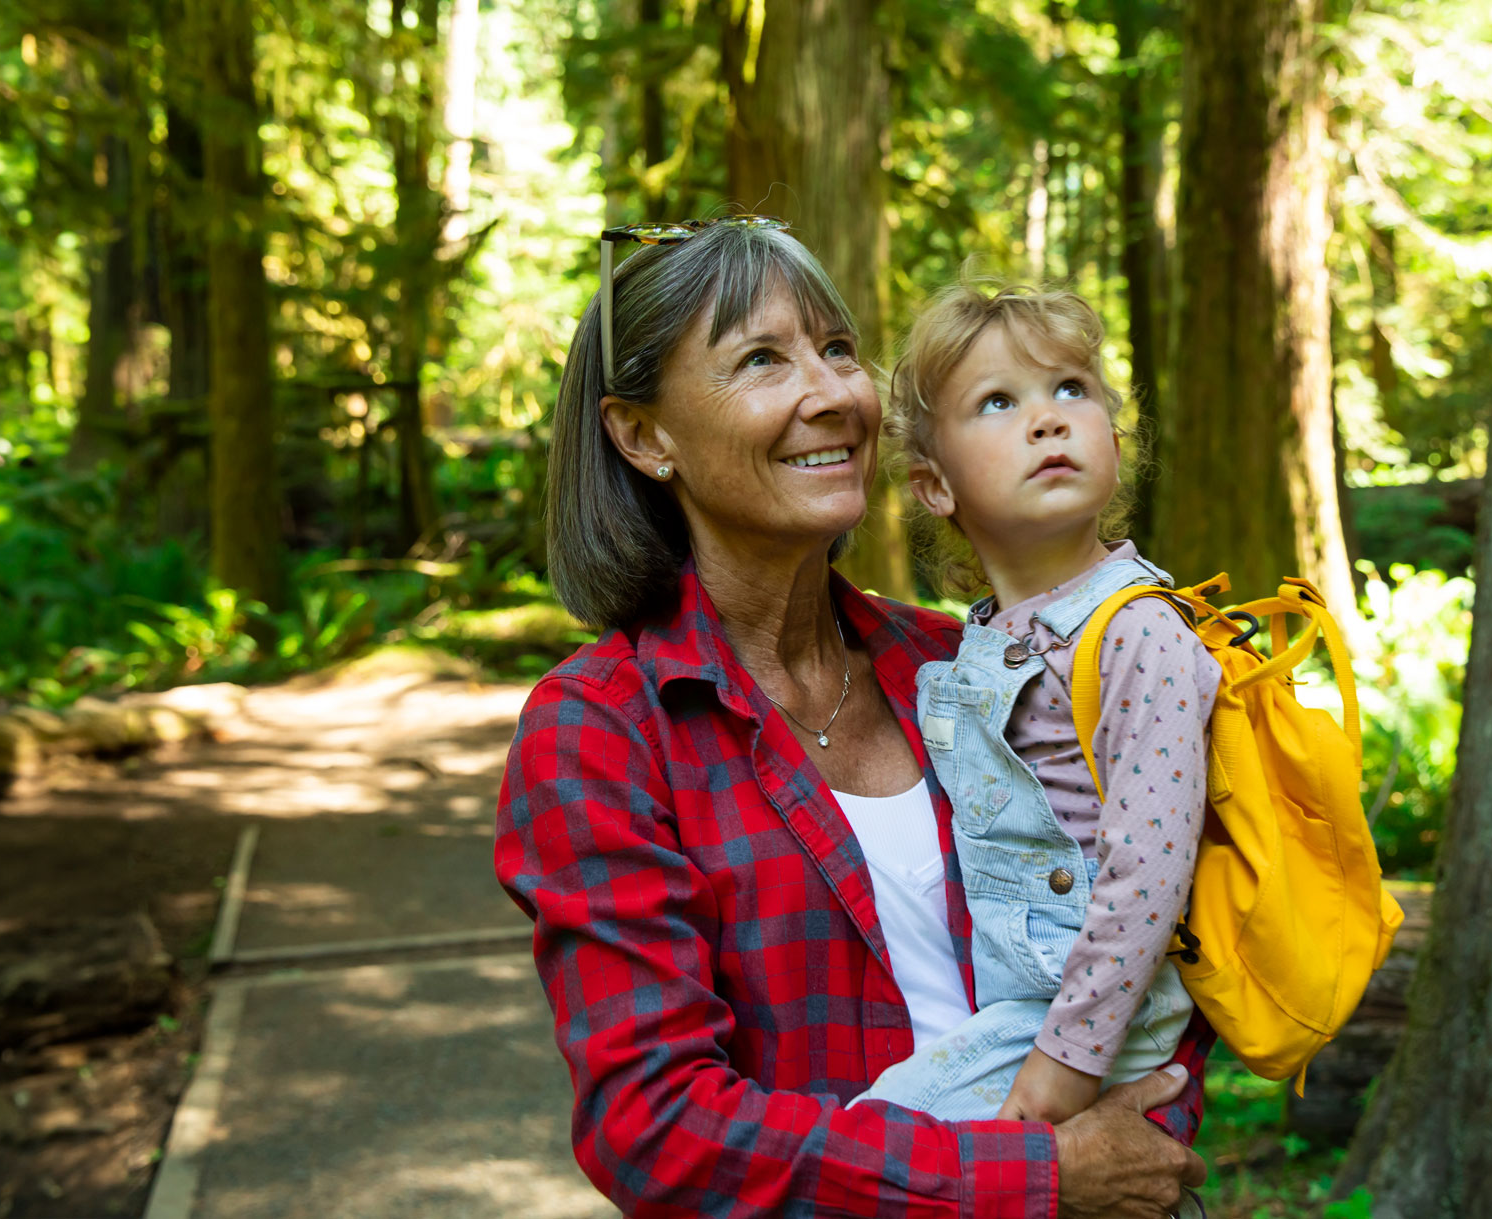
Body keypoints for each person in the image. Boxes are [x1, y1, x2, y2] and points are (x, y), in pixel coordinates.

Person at [493, 219, 1212, 1218]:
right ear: (644, 435)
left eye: (837, 349)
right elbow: (657, 1129)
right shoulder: (604, 732)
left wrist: (1140, 1130)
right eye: (759, 359)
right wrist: (1038, 1179)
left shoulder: (957, 664)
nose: (831, 393)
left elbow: (1149, 916)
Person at [852, 280, 1223, 1129]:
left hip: (1087, 1019)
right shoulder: (979, 640)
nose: (1048, 418)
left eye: (1071, 389)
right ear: (935, 486)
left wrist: (1066, 1066)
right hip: (1021, 1005)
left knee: (882, 1150)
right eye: (996, 401)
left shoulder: (1138, 633)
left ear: (1115, 442)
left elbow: (1150, 871)